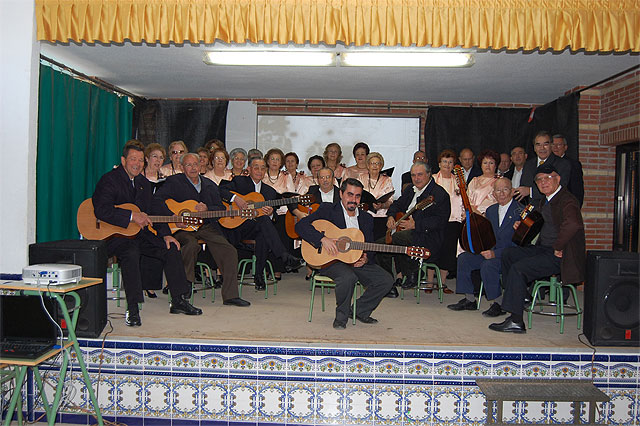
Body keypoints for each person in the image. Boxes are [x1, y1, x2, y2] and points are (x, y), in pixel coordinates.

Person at [92, 140, 202, 327]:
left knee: (170, 247)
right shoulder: (109, 180)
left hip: (138, 234)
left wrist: (166, 233)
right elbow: (101, 210)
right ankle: (133, 309)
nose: (137, 164)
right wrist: (131, 215)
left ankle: (178, 300)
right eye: (133, 159)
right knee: (131, 252)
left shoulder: (143, 183)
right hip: (114, 236)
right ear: (123, 160)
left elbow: (155, 208)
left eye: (140, 160)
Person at [490, 163, 585, 333]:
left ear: (558, 179)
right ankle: (523, 296)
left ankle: (516, 321)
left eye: (548, 178)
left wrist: (558, 245)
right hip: (545, 249)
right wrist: (522, 227)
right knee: (509, 254)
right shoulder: (545, 201)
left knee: (519, 269)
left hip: (561, 254)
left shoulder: (567, 200)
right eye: (539, 179)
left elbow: (573, 224)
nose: (543, 182)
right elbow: (538, 225)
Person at [153, 153, 251, 307]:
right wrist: (173, 217)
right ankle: (184, 289)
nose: (192, 168)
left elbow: (219, 208)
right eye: (188, 165)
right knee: (190, 245)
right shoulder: (174, 182)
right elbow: (157, 201)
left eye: (195, 164)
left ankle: (231, 295)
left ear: (200, 166)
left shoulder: (209, 184)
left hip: (205, 226)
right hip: (182, 228)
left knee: (229, 250)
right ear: (182, 167)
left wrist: (207, 208)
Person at [295, 178, 394, 329]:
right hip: (331, 259)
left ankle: (359, 311)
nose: (353, 200)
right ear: (341, 194)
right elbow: (301, 226)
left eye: (357, 196)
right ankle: (341, 317)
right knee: (348, 277)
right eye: (350, 194)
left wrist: (366, 257)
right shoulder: (327, 209)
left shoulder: (366, 218)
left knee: (386, 279)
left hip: (355, 260)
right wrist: (322, 239)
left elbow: (369, 245)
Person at [220, 157, 304, 289]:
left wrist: (271, 213)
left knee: (263, 228)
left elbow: (274, 216)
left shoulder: (269, 191)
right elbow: (220, 191)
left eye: (262, 168)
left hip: (256, 228)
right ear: (249, 169)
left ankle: (259, 274)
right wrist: (236, 199)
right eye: (256, 167)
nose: (259, 171)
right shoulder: (239, 181)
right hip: (236, 227)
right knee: (263, 226)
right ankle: (283, 256)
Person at [448, 178, 520, 316]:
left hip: (508, 255)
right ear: (493, 194)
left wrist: (495, 254)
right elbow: (487, 234)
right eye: (498, 190)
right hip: (489, 251)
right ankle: (469, 299)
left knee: (489, 265)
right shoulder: (491, 210)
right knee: (464, 258)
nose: (502, 193)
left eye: (505, 189)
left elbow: (519, 244)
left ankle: (498, 303)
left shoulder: (520, 211)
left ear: (512, 191)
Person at [379, 162, 450, 290]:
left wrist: (416, 224)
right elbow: (396, 205)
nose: (416, 178)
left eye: (420, 175)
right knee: (379, 246)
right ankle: (388, 285)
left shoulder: (439, 194)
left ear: (429, 174)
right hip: (405, 233)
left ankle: (413, 271)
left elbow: (440, 220)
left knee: (397, 239)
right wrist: (390, 216)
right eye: (413, 175)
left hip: (427, 236)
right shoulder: (410, 190)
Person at [432, 149, 464, 292]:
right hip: (435, 220)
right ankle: (429, 281)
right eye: (444, 161)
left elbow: (464, 200)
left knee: (448, 251)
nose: (447, 164)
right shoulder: (432, 179)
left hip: (453, 220)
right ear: (439, 164)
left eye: (450, 162)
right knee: (433, 249)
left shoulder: (459, 181)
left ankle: (442, 283)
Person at [515, 130, 571, 203]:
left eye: (545, 144)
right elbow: (523, 187)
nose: (542, 148)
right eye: (538, 145)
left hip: (551, 210)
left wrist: (530, 191)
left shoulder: (562, 164)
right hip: (530, 210)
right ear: (534, 148)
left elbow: (559, 189)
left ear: (551, 146)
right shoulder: (528, 164)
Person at [359, 152, 394, 240]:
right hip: (364, 216)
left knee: (379, 244)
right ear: (368, 165)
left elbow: (390, 200)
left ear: (381, 166)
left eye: (377, 163)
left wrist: (382, 205)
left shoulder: (387, 180)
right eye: (372, 163)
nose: (375, 166)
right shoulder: (361, 178)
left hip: (381, 217)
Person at [552, 134, 584, 206]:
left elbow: (577, 189)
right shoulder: (545, 163)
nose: (555, 147)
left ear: (565, 147)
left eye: (559, 145)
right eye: (553, 144)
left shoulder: (573, 164)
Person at [467, 150, 500, 215]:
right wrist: (477, 213)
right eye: (485, 163)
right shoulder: (474, 181)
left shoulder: (500, 181)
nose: (488, 165)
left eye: (491, 163)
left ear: (495, 165)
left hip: (491, 216)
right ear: (481, 165)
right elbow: (467, 201)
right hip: (473, 215)